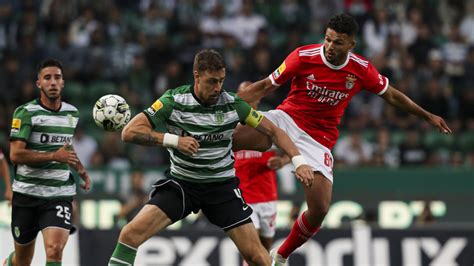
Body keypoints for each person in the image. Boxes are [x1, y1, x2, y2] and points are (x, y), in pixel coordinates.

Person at [234, 14, 452, 265]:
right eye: (327, 39)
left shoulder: (361, 69)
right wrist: (227, 105)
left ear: (351, 45)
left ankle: (281, 255)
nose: (329, 46)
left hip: (318, 140)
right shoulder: (303, 57)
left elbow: (391, 96)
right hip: (287, 118)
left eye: (337, 42)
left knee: (320, 209)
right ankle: (190, 170)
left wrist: (426, 116)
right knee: (231, 138)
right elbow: (264, 86)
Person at [107, 49, 313, 266]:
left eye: (221, 81)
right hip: (183, 185)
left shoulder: (232, 104)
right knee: (130, 235)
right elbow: (129, 132)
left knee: (257, 256)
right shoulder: (173, 101)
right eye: (212, 81)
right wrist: (174, 140)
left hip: (221, 187)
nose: (217, 88)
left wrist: (298, 161)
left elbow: (274, 131)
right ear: (196, 75)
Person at [4, 59, 91, 266]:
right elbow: (15, 155)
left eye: (57, 77)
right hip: (26, 194)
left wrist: (80, 169)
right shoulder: (25, 113)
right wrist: (53, 156)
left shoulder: (72, 113)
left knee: (54, 249)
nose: (53, 82)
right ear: (39, 84)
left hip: (58, 194)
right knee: (23, 260)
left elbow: (66, 147)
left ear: (63, 83)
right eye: (47, 78)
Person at [234, 82, 290, 254]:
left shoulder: (267, 125)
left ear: (258, 99)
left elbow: (291, 149)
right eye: (243, 93)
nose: (248, 97)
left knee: (264, 249)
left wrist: (282, 161)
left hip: (267, 198)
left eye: (251, 93)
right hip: (243, 198)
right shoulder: (230, 126)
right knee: (253, 249)